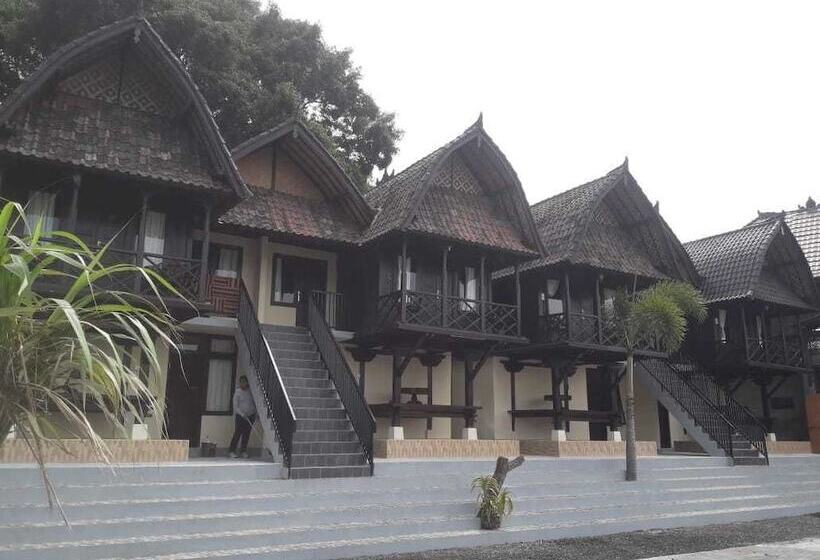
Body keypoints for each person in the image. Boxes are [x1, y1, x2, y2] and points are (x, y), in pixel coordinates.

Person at [229, 376, 256, 458]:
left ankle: (243, 451)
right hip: (240, 416)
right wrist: (242, 414)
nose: (242, 383)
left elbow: (254, 403)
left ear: (247, 382)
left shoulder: (251, 391)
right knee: (237, 433)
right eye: (241, 382)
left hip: (250, 416)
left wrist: (255, 413)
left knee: (246, 434)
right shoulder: (238, 392)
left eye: (244, 382)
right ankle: (232, 451)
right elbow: (235, 406)